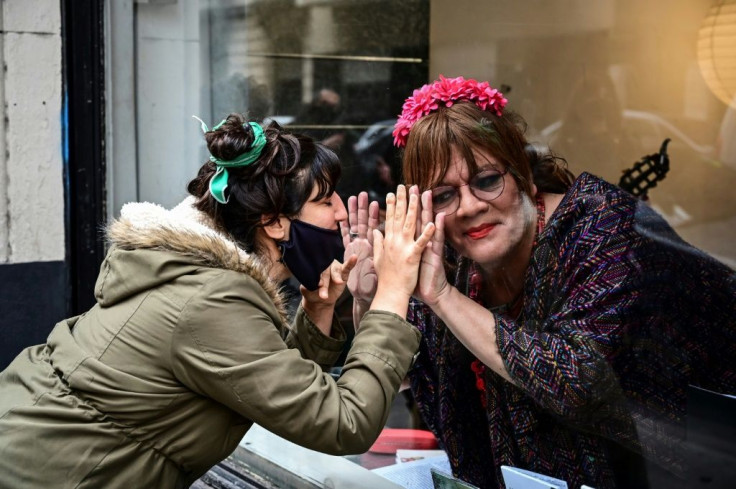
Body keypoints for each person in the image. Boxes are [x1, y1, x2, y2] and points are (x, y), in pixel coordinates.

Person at [0, 113, 435, 488]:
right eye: (325, 200)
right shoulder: (209, 300)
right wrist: (393, 292)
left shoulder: (200, 278)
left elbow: (272, 389)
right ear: (273, 222)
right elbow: (345, 422)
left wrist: (318, 311)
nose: (342, 213)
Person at [348, 76, 736, 489]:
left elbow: (577, 381)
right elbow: (408, 375)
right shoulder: (451, 252)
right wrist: (375, 301)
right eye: (443, 195)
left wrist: (442, 296)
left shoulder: (605, 227)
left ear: (523, 175)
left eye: (486, 180)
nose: (470, 206)